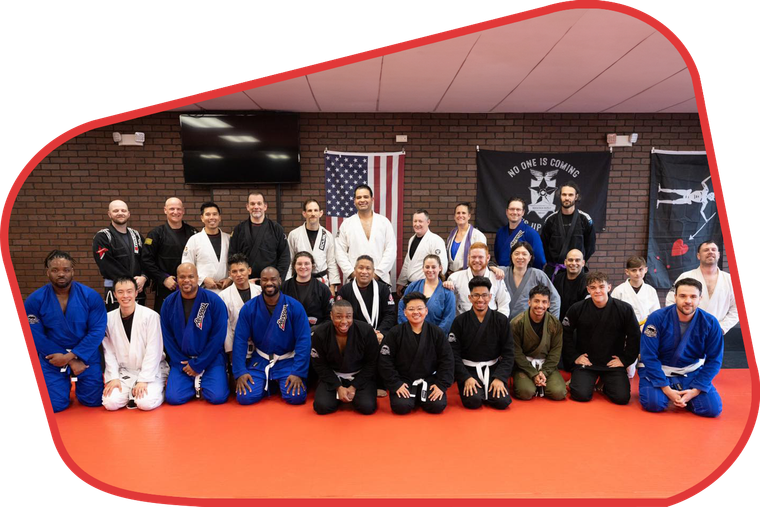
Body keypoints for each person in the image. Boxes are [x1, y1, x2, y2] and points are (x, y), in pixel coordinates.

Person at [25, 250, 107, 412]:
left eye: (66, 270)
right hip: (52, 356)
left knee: (94, 401)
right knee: (54, 406)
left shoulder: (90, 296)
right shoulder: (35, 300)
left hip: (85, 355)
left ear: (73, 271)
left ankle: (79, 387)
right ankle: (60, 386)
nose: (61, 274)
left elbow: (97, 330)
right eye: (55, 270)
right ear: (48, 272)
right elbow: (35, 335)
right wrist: (68, 360)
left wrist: (73, 355)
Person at [639, 278, 723, 417]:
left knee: (711, 409)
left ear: (700, 298)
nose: (688, 301)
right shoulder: (657, 318)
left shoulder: (710, 322)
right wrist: (666, 389)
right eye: (683, 296)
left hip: (690, 372)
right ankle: (673, 393)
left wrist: (695, 391)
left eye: (693, 296)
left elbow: (715, 360)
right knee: (654, 404)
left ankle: (685, 395)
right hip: (659, 370)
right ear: (675, 297)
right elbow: (648, 355)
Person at [233, 267, 311, 405]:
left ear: (280, 280)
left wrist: (298, 372)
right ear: (260, 282)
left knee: (296, 397)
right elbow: (240, 340)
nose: (269, 283)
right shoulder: (249, 308)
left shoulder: (294, 306)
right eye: (265, 279)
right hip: (261, 360)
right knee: (244, 397)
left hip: (287, 360)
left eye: (273, 279)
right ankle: (272, 382)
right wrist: (240, 371)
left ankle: (275, 382)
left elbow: (303, 341)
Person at [563, 271, 640, 405]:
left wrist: (625, 359)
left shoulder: (624, 309)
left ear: (609, 287)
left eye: (601, 287)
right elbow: (565, 332)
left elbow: (634, 335)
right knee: (580, 394)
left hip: (612, 362)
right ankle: (584, 380)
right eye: (593, 288)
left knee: (621, 398)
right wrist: (575, 356)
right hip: (587, 362)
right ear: (588, 289)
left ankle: (604, 384)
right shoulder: (577, 308)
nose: (597, 291)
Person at [160, 263, 229, 405]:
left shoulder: (214, 301)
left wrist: (199, 364)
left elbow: (218, 337)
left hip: (210, 359)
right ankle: (194, 383)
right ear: (176, 279)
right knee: (174, 398)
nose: (186, 280)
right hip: (182, 361)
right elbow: (167, 338)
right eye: (182, 277)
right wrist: (184, 363)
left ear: (197, 278)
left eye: (191, 276)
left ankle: (210, 379)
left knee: (217, 397)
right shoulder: (168, 303)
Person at [378, 292, 455, 415]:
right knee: (401, 407)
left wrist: (441, 385)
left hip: (429, 380)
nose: (416, 312)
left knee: (437, 406)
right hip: (404, 380)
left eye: (420, 308)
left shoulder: (436, 332)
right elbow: (385, 361)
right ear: (404, 312)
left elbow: (447, 360)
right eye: (411, 309)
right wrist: (396, 384)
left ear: (426, 310)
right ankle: (413, 397)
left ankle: (418, 397)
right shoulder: (395, 333)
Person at [102, 277, 169, 411]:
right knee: (110, 403)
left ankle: (159, 390)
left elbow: (154, 350)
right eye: (120, 292)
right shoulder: (108, 319)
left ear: (136, 293)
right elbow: (108, 351)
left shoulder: (151, 316)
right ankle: (130, 392)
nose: (125, 296)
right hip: (125, 372)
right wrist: (113, 377)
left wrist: (143, 379)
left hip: (151, 372)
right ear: (115, 294)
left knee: (145, 403)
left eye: (129, 291)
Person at [448, 277, 513, 410]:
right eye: (476, 295)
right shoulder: (459, 321)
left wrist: (500, 377)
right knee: (473, 401)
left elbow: (509, 353)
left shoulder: (501, 320)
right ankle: (475, 387)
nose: (480, 299)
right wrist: (465, 377)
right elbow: (453, 354)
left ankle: (491, 386)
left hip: (493, 368)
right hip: (468, 369)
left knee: (502, 402)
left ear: (490, 297)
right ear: (470, 297)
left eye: (484, 295)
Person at [310, 300, 380, 415]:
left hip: (359, 375)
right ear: (331, 316)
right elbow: (319, 364)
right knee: (322, 406)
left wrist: (354, 387)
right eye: (338, 317)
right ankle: (339, 395)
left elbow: (372, 363)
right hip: (333, 375)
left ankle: (349, 395)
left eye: (348, 317)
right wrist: (338, 387)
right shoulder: (320, 333)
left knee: (366, 407)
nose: (344, 321)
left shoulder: (366, 331)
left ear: (353, 316)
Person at [665, 240, 738, 334]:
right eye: (706, 250)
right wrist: (683, 324)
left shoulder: (730, 280)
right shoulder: (685, 276)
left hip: (716, 332)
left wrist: (721, 328)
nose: (710, 252)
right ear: (698, 256)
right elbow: (671, 301)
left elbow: (737, 309)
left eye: (713, 249)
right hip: (687, 331)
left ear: (719, 255)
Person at [141, 197, 198, 313]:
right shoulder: (155, 234)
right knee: (165, 319)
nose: (175, 212)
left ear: (183, 211)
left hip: (190, 285)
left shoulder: (193, 233)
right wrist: (163, 278)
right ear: (165, 210)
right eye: (172, 209)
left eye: (178, 209)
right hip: (166, 286)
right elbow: (146, 260)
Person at [511, 285, 566, 401]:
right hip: (525, 366)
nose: (540, 305)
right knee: (525, 392)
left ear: (549, 304)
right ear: (529, 302)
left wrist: (544, 372)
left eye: (544, 302)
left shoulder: (555, 324)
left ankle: (542, 382)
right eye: (536, 301)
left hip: (546, 364)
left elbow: (556, 352)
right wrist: (533, 373)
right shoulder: (516, 323)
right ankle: (532, 382)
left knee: (559, 393)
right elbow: (516, 353)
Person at [335, 185, 397, 285]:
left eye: (365, 197)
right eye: (359, 197)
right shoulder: (347, 224)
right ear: (354, 201)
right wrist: (351, 273)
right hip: (354, 280)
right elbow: (339, 252)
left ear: (372, 199)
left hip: (380, 279)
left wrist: (377, 273)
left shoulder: (384, 222)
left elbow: (391, 250)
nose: (362, 200)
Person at [92, 199, 148, 311]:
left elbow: (147, 258)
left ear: (128, 213)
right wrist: (131, 281)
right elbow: (106, 264)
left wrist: (144, 277)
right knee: (116, 325)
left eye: (123, 210)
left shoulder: (136, 235)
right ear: (109, 214)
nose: (120, 213)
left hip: (138, 290)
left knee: (139, 325)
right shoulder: (103, 236)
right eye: (116, 210)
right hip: (116, 290)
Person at [610, 256, 661, 378]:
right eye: (633, 270)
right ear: (627, 271)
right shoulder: (619, 290)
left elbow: (656, 313)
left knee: (646, 364)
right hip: (625, 331)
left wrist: (647, 327)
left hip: (645, 328)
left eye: (640, 269)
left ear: (646, 270)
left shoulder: (651, 291)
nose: (637, 273)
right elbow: (613, 314)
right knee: (629, 373)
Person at [228, 192, 290, 280]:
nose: (256, 207)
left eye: (259, 203)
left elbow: (284, 256)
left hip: (270, 281)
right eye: (252, 204)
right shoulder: (239, 229)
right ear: (247, 207)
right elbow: (232, 255)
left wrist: (277, 278)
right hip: (245, 281)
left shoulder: (276, 228)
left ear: (265, 206)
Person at [336, 255, 397, 343]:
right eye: (361, 268)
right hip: (353, 335)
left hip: (379, 336)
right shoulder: (345, 290)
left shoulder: (383, 289)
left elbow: (390, 314)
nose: (364, 272)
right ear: (355, 270)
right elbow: (341, 316)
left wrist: (381, 331)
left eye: (368, 268)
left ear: (373, 271)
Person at [541, 182, 595, 279]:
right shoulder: (550, 220)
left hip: (577, 270)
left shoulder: (585, 219)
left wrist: (576, 263)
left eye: (570, 195)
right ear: (560, 196)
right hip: (555, 271)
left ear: (576, 197)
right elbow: (544, 245)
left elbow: (590, 246)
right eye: (564, 194)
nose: (567, 198)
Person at [286, 199, 340, 295]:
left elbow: (331, 262)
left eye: (315, 210)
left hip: (321, 280)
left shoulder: (327, 235)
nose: (313, 213)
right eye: (309, 211)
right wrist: (288, 283)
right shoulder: (294, 234)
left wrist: (332, 286)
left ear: (321, 213)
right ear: (304, 213)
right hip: (300, 281)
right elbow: (290, 261)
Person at [444, 242, 511, 317]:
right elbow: (448, 306)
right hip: (464, 324)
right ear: (468, 257)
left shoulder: (496, 278)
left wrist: (499, 323)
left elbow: (504, 305)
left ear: (488, 258)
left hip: (490, 323)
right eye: (473, 257)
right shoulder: (455, 278)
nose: (476, 260)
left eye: (480, 257)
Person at [398, 254, 456, 335]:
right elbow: (402, 307)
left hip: (436, 338)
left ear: (440, 268)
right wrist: (409, 330)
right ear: (423, 268)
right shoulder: (413, 286)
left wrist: (435, 335)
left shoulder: (447, 292)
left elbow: (449, 318)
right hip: (410, 335)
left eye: (433, 267)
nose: (430, 270)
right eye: (427, 267)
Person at [181, 202, 231, 294]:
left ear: (219, 217)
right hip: (203, 290)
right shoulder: (194, 240)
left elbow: (235, 263)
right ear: (202, 218)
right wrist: (202, 279)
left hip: (226, 290)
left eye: (215, 214)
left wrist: (230, 278)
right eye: (207, 214)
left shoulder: (228, 239)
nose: (212, 217)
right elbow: (186, 265)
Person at [218, 254, 262, 359]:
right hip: (236, 343)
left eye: (242, 270)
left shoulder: (260, 291)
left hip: (261, 343)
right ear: (230, 274)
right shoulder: (223, 296)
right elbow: (226, 326)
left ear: (249, 271)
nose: (239, 274)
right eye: (234, 271)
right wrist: (230, 350)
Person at [503, 241, 560, 318]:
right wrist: (492, 267)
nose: (520, 257)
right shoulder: (502, 272)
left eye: (524, 254)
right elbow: (483, 268)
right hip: (503, 323)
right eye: (516, 253)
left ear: (530, 257)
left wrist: (553, 321)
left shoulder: (538, 275)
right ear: (511, 256)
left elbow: (555, 298)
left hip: (529, 323)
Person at [397, 210, 448, 294]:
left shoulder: (435, 240)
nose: (417, 224)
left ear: (428, 222)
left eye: (420, 221)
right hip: (411, 286)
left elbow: (442, 266)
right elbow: (407, 263)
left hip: (426, 286)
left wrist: (432, 284)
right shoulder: (412, 239)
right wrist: (401, 282)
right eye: (415, 221)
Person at [281, 251, 333, 326]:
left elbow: (329, 316)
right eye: (299, 264)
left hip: (316, 333)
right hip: (290, 332)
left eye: (306, 263)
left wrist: (318, 331)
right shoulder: (284, 287)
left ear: (312, 266)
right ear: (294, 266)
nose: (303, 267)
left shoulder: (323, 289)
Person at [494, 197, 546, 270]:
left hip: (524, 275)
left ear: (523, 212)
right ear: (506, 211)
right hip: (503, 275)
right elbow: (497, 255)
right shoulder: (500, 232)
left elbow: (539, 260)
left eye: (518, 210)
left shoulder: (531, 233)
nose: (515, 212)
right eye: (512, 209)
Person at [445, 202, 487, 274]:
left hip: (469, 275)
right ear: (454, 216)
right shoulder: (451, 235)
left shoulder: (477, 235)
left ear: (469, 216)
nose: (460, 215)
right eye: (458, 213)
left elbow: (482, 259)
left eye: (463, 213)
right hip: (451, 276)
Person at [553, 249, 588, 321]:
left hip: (578, 322)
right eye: (570, 260)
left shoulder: (588, 282)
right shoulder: (558, 278)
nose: (574, 263)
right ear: (565, 262)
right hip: (558, 321)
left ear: (583, 263)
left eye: (577, 260)